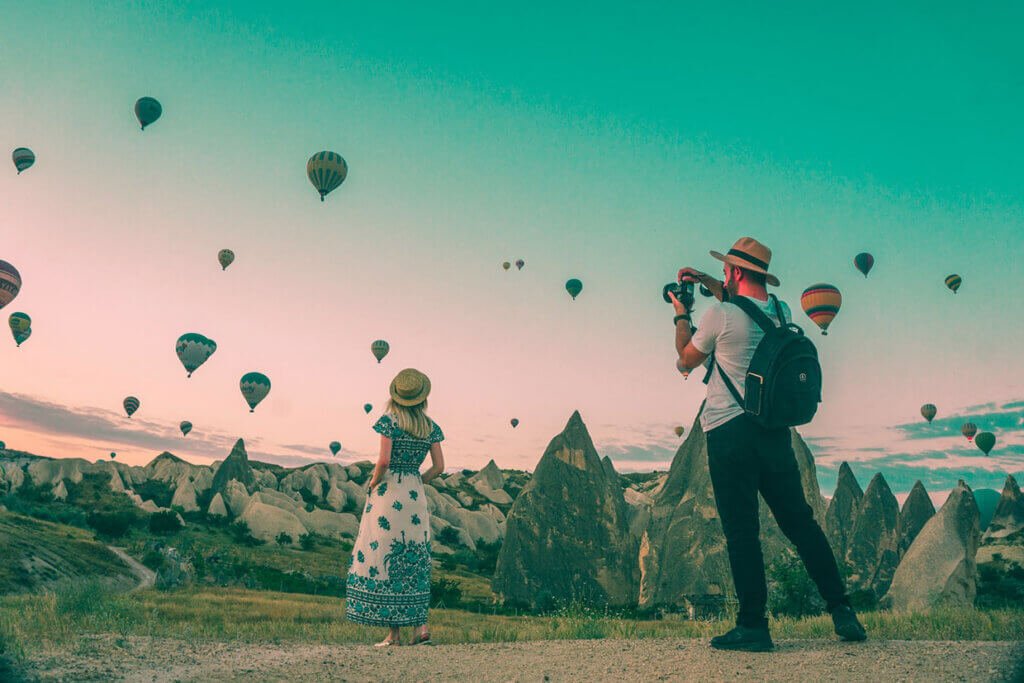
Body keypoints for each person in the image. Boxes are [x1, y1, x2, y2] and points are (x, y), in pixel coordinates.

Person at [670, 236, 866, 652]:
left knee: (742, 531)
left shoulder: (718, 316)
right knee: (801, 523)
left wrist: (681, 315)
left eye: (726, 270)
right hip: (776, 434)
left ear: (737, 272)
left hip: (729, 433)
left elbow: (686, 360)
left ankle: (754, 626)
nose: (723, 276)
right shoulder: (781, 313)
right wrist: (705, 277)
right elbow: (744, 303)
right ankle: (842, 609)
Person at [345, 368, 446, 647]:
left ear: (396, 396)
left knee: (388, 554)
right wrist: (417, 480)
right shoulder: (431, 427)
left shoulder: (389, 421)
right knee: (416, 556)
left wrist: (372, 483)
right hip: (414, 495)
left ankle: (394, 635)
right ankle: (421, 628)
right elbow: (439, 467)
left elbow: (383, 461)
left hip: (389, 495)